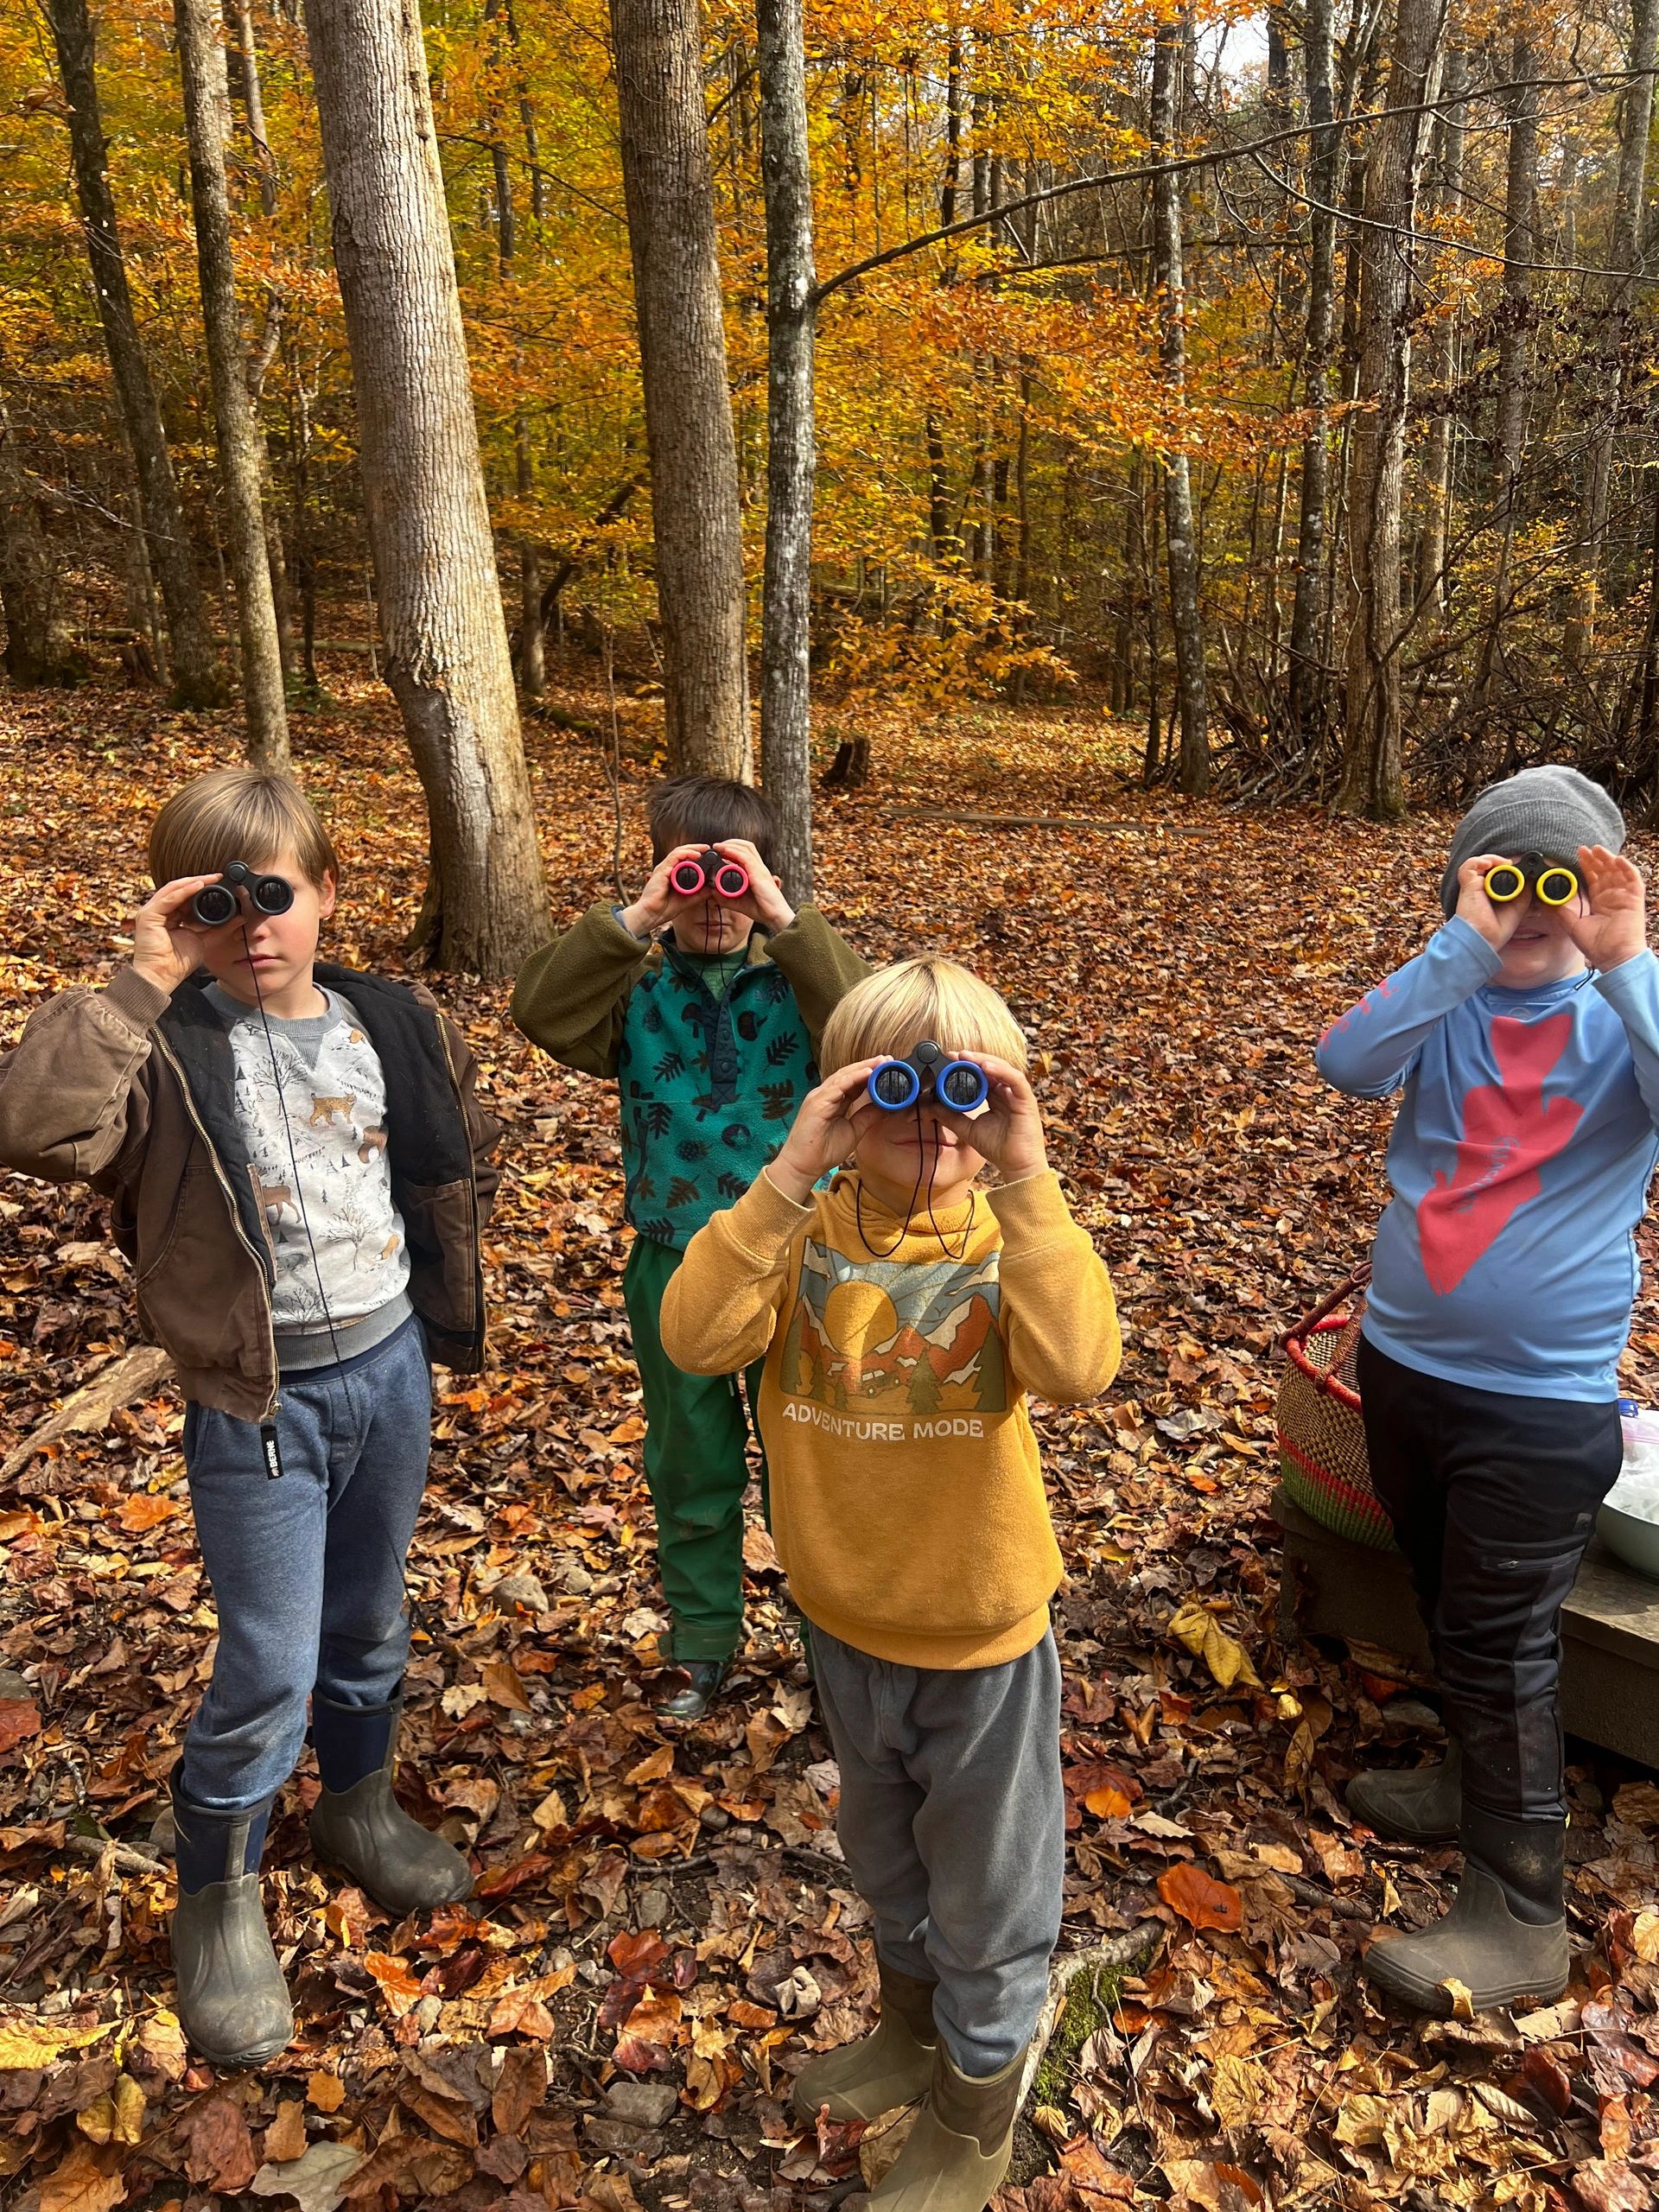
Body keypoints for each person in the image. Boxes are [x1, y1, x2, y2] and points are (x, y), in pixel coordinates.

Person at [0, 768, 499, 2069]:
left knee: (371, 1614)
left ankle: (356, 1804)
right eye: (218, 906)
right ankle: (216, 1890)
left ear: (327, 893)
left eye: (275, 894)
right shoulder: (160, 1051)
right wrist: (139, 978)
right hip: (258, 1397)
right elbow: (35, 1124)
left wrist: (445, 1291)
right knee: (270, 1657)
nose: (254, 926)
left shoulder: (390, 1019)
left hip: (389, 1369)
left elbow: (449, 1148)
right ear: (182, 919)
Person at [660, 957, 1120, 2212]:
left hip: (978, 1638)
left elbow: (1080, 1367)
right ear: (839, 1101)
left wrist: (1025, 1175)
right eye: (893, 1090)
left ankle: (979, 2110)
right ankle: (913, 2034)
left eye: (962, 1090)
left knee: (989, 1891)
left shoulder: (1012, 1239)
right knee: (886, 1859)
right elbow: (694, 1336)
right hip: (842, 1621)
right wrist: (788, 1172)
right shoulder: (794, 1234)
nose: (931, 1119)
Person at [1317, 764, 1658, 2014]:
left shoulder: (1628, 1019)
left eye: (1561, 883)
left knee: (1504, 1642)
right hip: (1406, 1363)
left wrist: (1626, 956)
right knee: (1438, 1586)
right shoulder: (1446, 1001)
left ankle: (1519, 1916)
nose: (1534, 909)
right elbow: (1348, 1062)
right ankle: (1468, 1783)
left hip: (1541, 1397)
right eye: (1509, 882)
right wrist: (1455, 947)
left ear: (1603, 890)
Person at [511, 775, 866, 1720]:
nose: (716, 902)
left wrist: (787, 922)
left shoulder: (804, 987)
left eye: (734, 880)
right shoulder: (635, 995)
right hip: (676, 1259)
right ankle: (703, 1639)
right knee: (690, 1457)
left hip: (803, 1266)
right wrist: (637, 916)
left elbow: (885, 1032)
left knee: (812, 1461)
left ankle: (837, 1644)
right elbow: (540, 1011)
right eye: (693, 878)